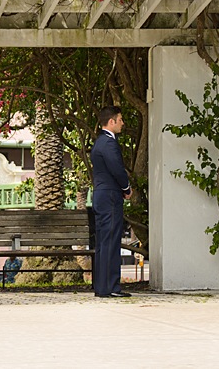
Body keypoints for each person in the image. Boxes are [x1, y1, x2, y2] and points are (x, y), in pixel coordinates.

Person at [90, 105, 132, 298]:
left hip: (101, 194)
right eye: (120, 120)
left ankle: (101, 287)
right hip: (110, 196)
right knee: (111, 241)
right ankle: (111, 287)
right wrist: (126, 188)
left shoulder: (99, 142)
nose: (123, 123)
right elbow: (117, 168)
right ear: (112, 121)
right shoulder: (108, 143)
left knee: (103, 241)